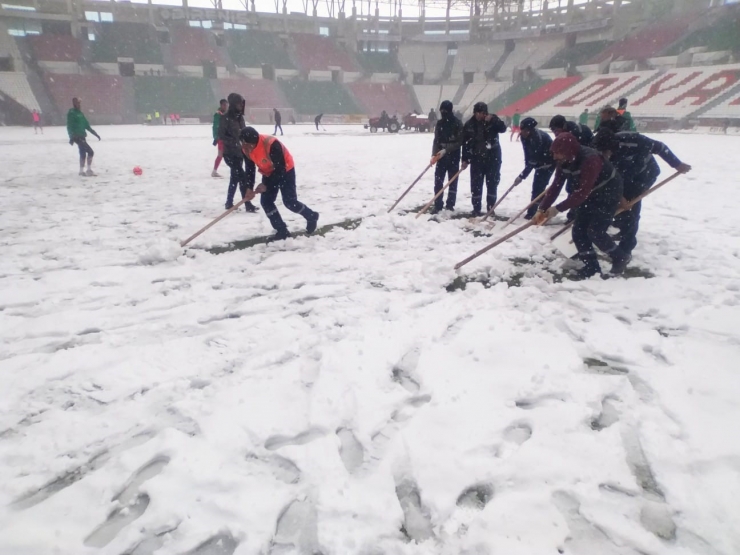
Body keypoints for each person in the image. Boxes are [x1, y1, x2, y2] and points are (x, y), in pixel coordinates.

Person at [532, 131, 630, 278]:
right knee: (578, 231)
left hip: (608, 192)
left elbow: (582, 193)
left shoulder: (590, 159)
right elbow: (556, 186)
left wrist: (557, 209)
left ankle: (620, 257)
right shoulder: (564, 161)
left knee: (595, 231)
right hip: (589, 193)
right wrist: (542, 208)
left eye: (557, 153)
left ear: (568, 151)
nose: (554, 157)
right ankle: (591, 267)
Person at [594, 122, 691, 262]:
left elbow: (661, 147)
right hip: (622, 177)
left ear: (613, 146)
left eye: (605, 152)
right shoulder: (601, 148)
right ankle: (622, 228)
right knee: (618, 204)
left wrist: (676, 164)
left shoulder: (635, 141)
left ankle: (626, 249)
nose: (604, 155)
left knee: (631, 208)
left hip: (644, 175)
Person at [240, 127, 319, 241]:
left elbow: (280, 169)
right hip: (268, 171)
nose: (246, 149)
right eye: (243, 145)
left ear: (254, 142)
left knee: (290, 202)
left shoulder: (271, 144)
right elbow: (250, 169)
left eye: (248, 145)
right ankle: (282, 231)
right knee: (266, 202)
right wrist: (249, 188)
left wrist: (266, 185)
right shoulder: (246, 150)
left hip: (285, 169)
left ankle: (311, 216)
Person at [462, 102, 507, 216]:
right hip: (477, 159)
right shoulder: (469, 124)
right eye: (477, 113)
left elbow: (503, 128)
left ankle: (491, 208)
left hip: (493, 158)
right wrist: (465, 159)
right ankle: (476, 208)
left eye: (482, 113)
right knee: (476, 184)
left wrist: (493, 120)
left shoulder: (493, 120)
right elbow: (465, 143)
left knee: (492, 183)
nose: (479, 115)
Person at [218, 93, 258, 212]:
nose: (241, 106)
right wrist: (234, 142)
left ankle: (229, 202)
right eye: (239, 104)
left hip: (240, 153)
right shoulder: (225, 118)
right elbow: (221, 135)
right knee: (242, 177)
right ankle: (247, 203)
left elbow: (244, 133)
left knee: (235, 177)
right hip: (230, 154)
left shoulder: (240, 118)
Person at [512, 117, 554, 219]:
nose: (522, 132)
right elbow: (528, 156)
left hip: (548, 163)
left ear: (530, 130)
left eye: (524, 130)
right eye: (521, 130)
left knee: (538, 188)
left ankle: (535, 212)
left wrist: (522, 176)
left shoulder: (538, 139)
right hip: (538, 163)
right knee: (537, 188)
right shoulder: (524, 137)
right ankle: (536, 211)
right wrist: (524, 172)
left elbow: (533, 160)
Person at [430, 100, 464, 213]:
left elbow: (459, 142)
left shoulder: (457, 123)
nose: (443, 113)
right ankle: (438, 204)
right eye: (442, 111)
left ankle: (450, 205)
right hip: (441, 156)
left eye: (445, 111)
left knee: (452, 181)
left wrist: (447, 150)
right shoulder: (440, 123)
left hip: (453, 155)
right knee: (438, 181)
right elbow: (436, 140)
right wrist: (434, 155)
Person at [67, 97, 100, 177]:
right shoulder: (71, 113)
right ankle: (88, 170)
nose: (78, 104)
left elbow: (87, 125)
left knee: (83, 153)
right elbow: (69, 126)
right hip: (77, 136)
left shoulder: (80, 114)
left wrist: (95, 134)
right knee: (90, 151)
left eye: (79, 103)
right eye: (77, 103)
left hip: (82, 136)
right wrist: (71, 136)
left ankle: (81, 171)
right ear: (74, 103)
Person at [212, 99, 227, 178]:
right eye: (224, 105)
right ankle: (214, 171)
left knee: (223, 155)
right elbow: (215, 126)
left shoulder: (224, 114)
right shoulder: (218, 114)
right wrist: (216, 137)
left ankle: (214, 171)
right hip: (221, 138)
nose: (226, 106)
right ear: (221, 105)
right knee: (220, 155)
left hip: (225, 137)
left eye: (226, 105)